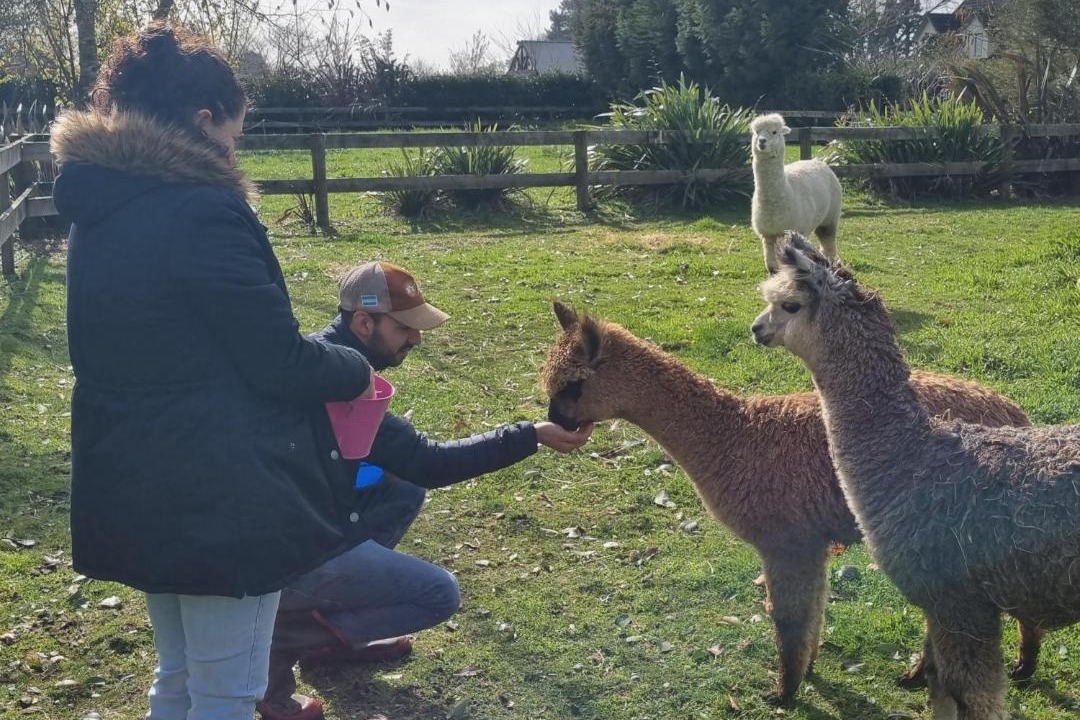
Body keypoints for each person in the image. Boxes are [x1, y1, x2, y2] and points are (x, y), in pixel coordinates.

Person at [51, 23, 377, 720]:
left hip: (131, 476)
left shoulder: (99, 206)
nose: (237, 147)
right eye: (236, 131)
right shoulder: (203, 210)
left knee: (178, 676)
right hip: (215, 488)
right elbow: (276, 359)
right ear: (204, 121)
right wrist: (353, 368)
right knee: (228, 692)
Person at [256, 262, 593, 720]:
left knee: (400, 486)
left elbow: (405, 463)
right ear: (363, 322)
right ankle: (282, 642)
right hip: (284, 550)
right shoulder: (338, 379)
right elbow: (431, 462)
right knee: (438, 595)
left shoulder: (327, 356)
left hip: (303, 516)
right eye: (405, 328)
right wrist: (529, 435)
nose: (416, 339)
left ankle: (329, 638)